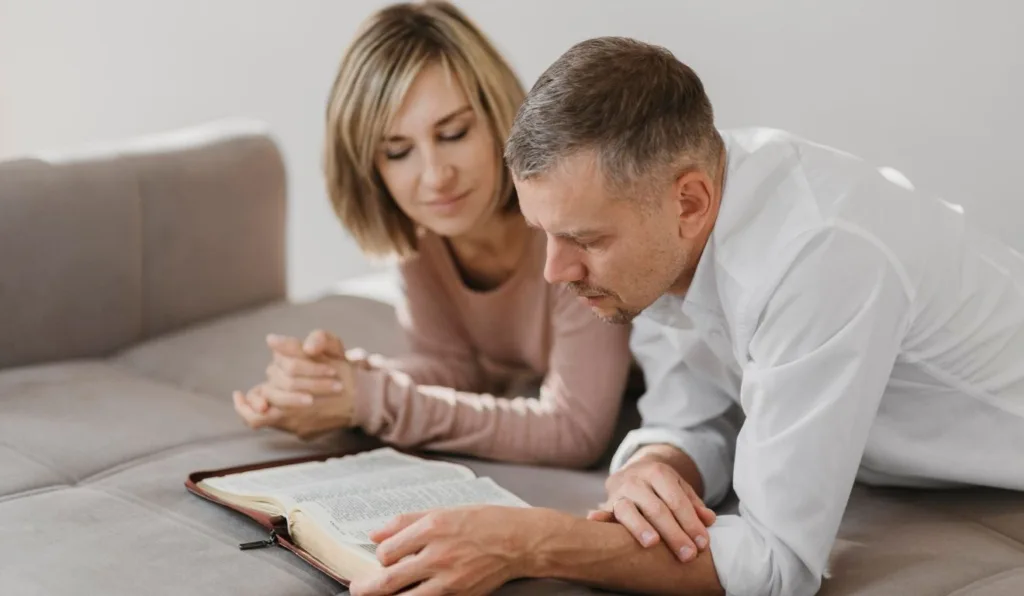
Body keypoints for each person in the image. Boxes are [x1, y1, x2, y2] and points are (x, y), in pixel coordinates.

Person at [346, 35, 1024, 596]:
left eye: (583, 240)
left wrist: (530, 540)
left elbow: (774, 564)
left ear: (691, 202)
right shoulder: (667, 225)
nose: (555, 271)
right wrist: (654, 464)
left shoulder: (818, 257)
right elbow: (699, 412)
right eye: (545, 235)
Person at [231, 2, 638, 471]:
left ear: (498, 117)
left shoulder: (568, 225)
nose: (435, 176)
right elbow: (453, 368)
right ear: (372, 168)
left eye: (454, 133)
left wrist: (369, 401)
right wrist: (338, 381)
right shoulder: (425, 238)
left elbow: (573, 430)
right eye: (398, 151)